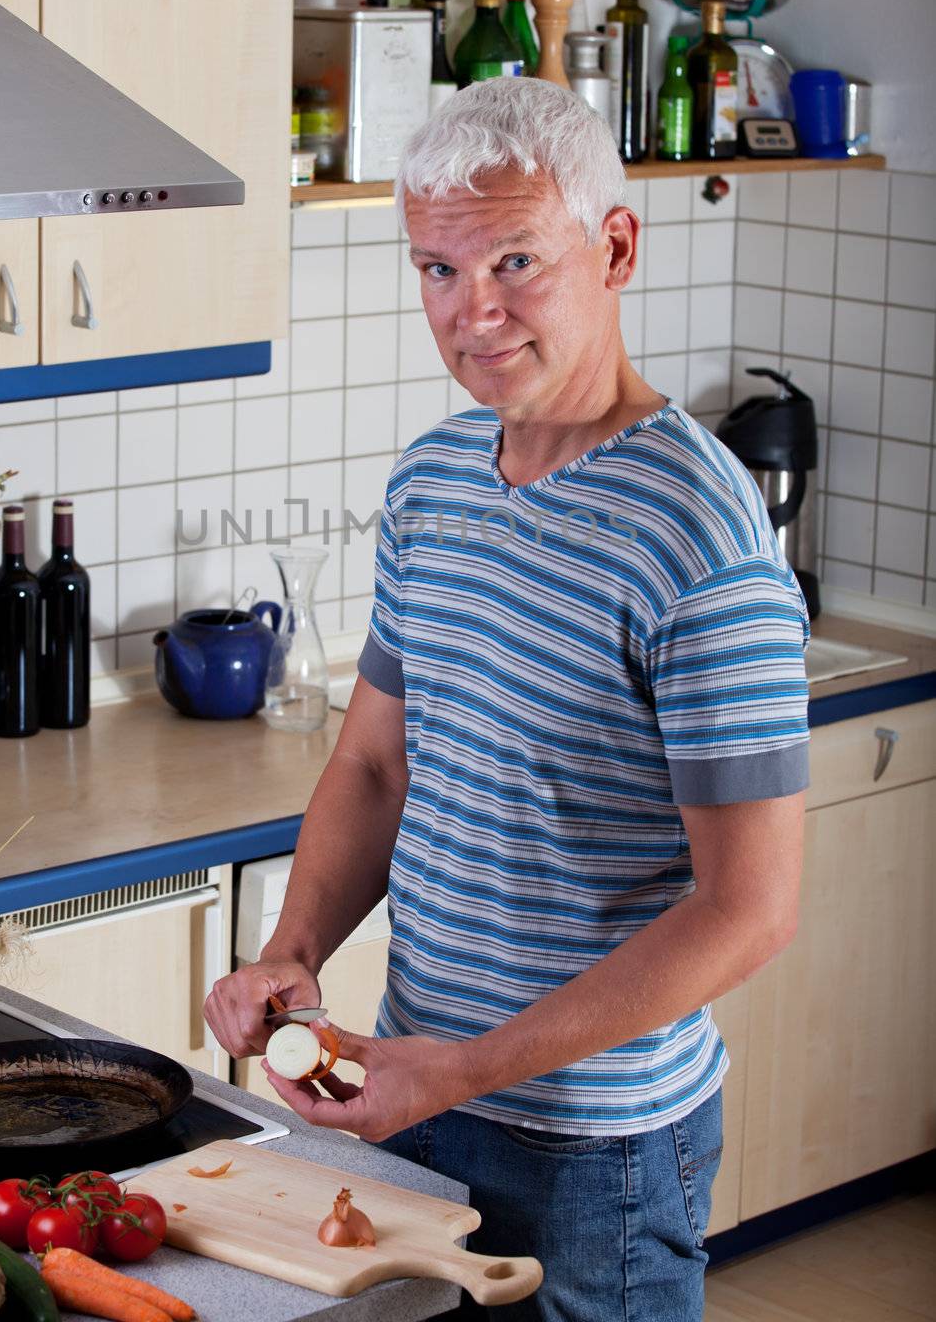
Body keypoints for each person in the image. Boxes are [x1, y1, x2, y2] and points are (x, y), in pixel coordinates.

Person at [204, 78, 809, 1321]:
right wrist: (291, 955)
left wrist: (459, 1070)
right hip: (408, 1098)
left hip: (595, 1151)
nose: (470, 312)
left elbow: (749, 908)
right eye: (434, 268)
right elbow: (375, 766)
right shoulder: (434, 480)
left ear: (616, 249)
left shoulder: (696, 531)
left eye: (514, 260)